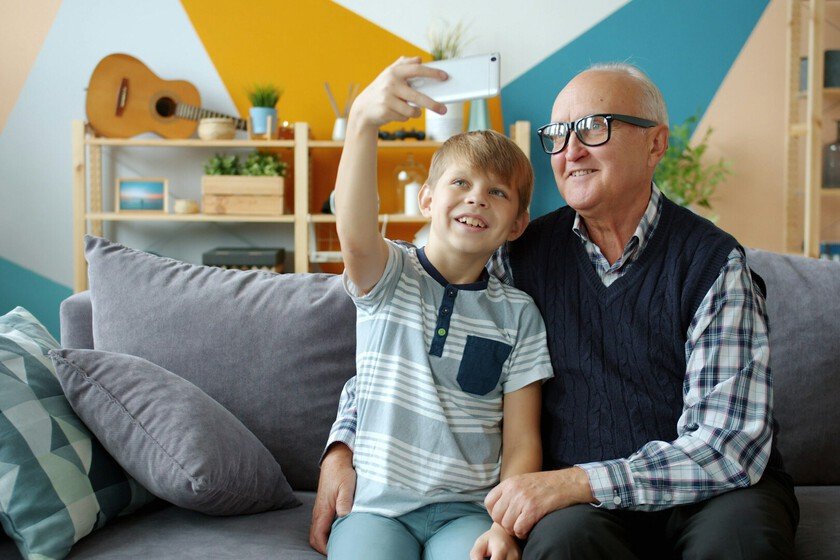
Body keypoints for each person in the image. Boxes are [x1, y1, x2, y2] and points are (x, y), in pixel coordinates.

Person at [311, 61, 800, 559]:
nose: (572, 150)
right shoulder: (516, 255)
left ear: (655, 144)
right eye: (559, 135)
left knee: (739, 546)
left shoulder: (713, 263)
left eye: (594, 127)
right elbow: (408, 347)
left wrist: (578, 483)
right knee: (560, 547)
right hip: (582, 505)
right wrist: (343, 446)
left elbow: (729, 445)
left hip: (708, 496)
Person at [320, 56, 554, 560]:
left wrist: (503, 527)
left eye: (497, 192)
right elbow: (355, 231)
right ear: (426, 200)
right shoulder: (388, 275)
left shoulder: (519, 315)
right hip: (375, 510)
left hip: (467, 512)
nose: (477, 199)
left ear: (516, 224)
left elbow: (520, 442)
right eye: (460, 184)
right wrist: (363, 121)